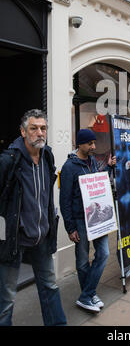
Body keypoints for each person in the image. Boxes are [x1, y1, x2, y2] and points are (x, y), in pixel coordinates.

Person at [0, 109, 67, 326]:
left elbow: (47, 196)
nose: (39, 133)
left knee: (50, 286)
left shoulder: (47, 155)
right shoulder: (8, 161)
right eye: (34, 128)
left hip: (42, 236)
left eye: (43, 128)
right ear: (23, 132)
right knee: (7, 298)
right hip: (14, 239)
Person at [59, 129, 116, 313]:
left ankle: (86, 294)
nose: (93, 146)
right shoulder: (69, 167)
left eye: (94, 143)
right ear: (80, 144)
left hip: (97, 219)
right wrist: (70, 227)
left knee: (104, 253)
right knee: (83, 260)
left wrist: (108, 167)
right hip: (80, 220)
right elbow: (64, 200)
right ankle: (89, 295)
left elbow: (98, 183)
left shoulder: (92, 161)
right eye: (90, 144)